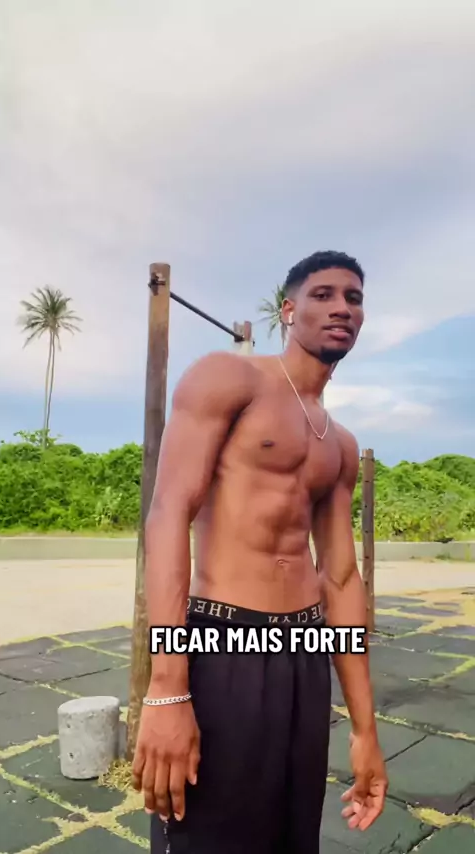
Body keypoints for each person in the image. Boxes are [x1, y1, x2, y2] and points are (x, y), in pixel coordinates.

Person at [132, 250, 388, 853]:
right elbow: (168, 514)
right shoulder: (229, 379)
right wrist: (166, 688)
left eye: (353, 298)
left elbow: (341, 577)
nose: (342, 308)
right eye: (324, 294)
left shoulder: (340, 445)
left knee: (290, 834)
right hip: (223, 639)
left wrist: (365, 730)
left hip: (305, 648)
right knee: (209, 835)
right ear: (288, 310)